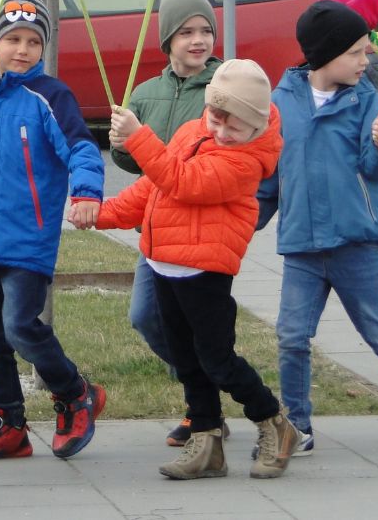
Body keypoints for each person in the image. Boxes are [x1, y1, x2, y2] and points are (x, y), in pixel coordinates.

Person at [91, 59, 299, 479]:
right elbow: (151, 187)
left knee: (218, 361)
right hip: (164, 263)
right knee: (186, 360)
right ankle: (206, 442)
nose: (220, 132)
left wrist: (138, 138)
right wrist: (101, 214)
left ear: (256, 127)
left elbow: (182, 181)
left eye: (233, 125)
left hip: (204, 271)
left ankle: (274, 422)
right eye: (215, 117)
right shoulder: (192, 131)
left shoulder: (245, 163)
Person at [257, 0, 378, 453]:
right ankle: (298, 426)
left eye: (367, 52)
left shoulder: (367, 101)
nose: (367, 61)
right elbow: (270, 178)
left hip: (355, 242)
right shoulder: (280, 102)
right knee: (292, 336)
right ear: (325, 55)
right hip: (302, 245)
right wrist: (243, 223)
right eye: (358, 53)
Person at [0, 0, 106, 461]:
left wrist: (87, 192)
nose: (23, 49)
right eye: (12, 38)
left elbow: (82, 148)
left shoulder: (50, 96)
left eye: (34, 41)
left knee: (20, 326)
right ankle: (9, 424)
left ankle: (75, 393)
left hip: (28, 237)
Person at [109, 0, 225, 447]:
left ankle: (203, 410)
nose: (198, 41)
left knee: (197, 326)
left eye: (205, 31)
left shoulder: (223, 88)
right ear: (167, 41)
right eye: (186, 33)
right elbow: (138, 164)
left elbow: (214, 157)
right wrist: (123, 145)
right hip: (156, 230)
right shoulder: (146, 93)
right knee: (147, 317)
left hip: (202, 232)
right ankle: (204, 396)